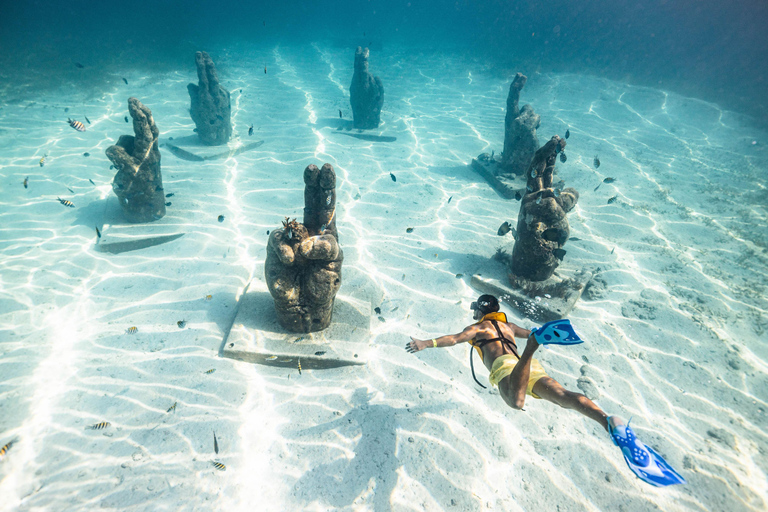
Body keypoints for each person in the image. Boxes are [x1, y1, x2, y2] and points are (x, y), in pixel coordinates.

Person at [405, 294, 686, 487]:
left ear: (480, 310)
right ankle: (610, 422)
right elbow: (530, 330)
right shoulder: (508, 325)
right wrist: (534, 334)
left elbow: (454, 339)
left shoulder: (478, 327)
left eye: (475, 310)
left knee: (515, 402)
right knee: (564, 397)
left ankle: (534, 346)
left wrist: (425, 342)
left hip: (507, 367)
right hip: (527, 366)